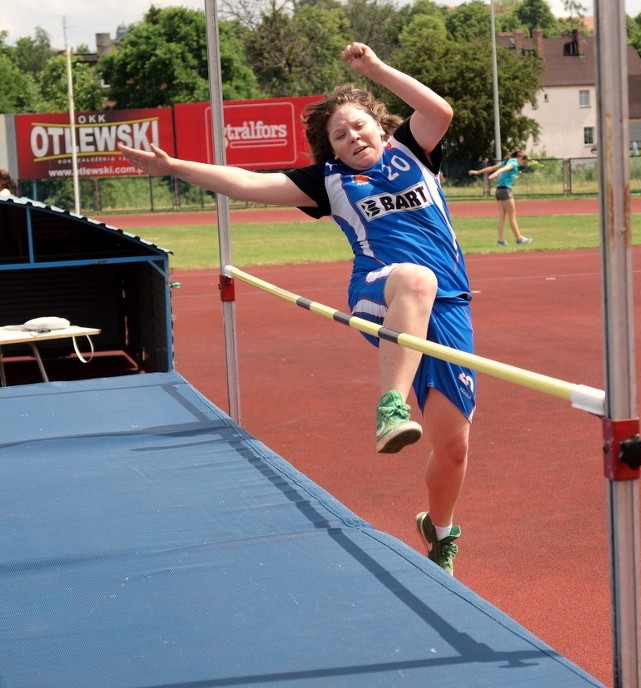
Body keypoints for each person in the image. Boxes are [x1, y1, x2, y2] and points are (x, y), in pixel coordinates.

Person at [119, 43, 473, 577]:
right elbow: (245, 182)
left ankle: (439, 530)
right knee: (415, 279)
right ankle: (390, 408)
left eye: (359, 126)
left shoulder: (414, 152)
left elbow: (439, 112)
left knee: (452, 448)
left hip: (449, 308)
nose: (353, 138)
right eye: (339, 134)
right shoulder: (328, 182)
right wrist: (177, 167)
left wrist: (375, 70)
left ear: (380, 126)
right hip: (380, 290)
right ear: (329, 148)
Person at [469, 151, 532, 246]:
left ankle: (501, 241)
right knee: (512, 216)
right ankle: (519, 239)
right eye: (524, 162)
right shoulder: (513, 163)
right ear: (521, 158)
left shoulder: (506, 161)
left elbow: (491, 168)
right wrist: (495, 174)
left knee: (502, 216)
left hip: (498, 191)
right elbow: (503, 169)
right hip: (506, 191)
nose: (523, 164)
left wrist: (478, 172)